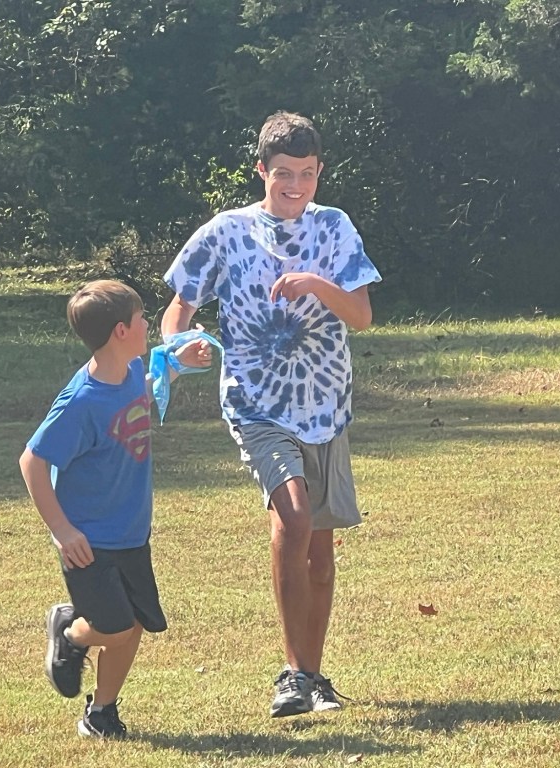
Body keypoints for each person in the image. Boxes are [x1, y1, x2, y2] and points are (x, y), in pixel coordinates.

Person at [161, 110, 381, 718]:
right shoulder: (226, 231)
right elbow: (179, 308)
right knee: (293, 516)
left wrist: (315, 284)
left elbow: (361, 316)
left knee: (321, 556)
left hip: (326, 404)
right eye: (284, 173)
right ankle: (292, 675)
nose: (295, 186)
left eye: (307, 174)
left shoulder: (335, 227)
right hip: (256, 403)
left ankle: (312, 676)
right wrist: (181, 348)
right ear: (261, 170)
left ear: (319, 172)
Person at [19, 279, 211, 738]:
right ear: (122, 331)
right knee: (116, 627)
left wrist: (178, 365)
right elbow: (32, 461)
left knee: (135, 624)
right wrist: (63, 530)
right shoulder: (81, 402)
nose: (148, 324)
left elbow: (141, 394)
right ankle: (70, 631)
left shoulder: (128, 371)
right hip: (89, 540)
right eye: (142, 318)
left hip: (131, 531)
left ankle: (102, 712)